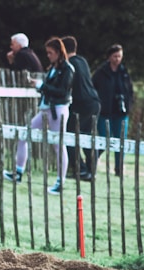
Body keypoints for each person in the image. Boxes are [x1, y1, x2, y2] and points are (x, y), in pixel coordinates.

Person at [3, 37, 73, 195]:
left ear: (58, 52)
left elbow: (62, 92)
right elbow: (51, 89)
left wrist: (42, 85)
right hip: (47, 108)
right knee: (24, 134)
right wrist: (40, 86)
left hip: (58, 110)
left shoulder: (68, 69)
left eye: (50, 53)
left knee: (58, 145)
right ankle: (18, 172)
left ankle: (60, 182)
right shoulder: (53, 68)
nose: (48, 55)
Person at [61, 35, 101, 182]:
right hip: (94, 102)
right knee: (89, 137)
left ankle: (81, 170)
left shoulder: (69, 64)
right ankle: (91, 170)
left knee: (70, 136)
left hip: (81, 103)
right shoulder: (82, 61)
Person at [92, 43, 134, 177]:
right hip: (105, 111)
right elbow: (93, 89)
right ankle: (92, 162)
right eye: (115, 56)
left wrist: (128, 105)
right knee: (104, 140)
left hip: (120, 112)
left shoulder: (124, 72)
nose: (117, 59)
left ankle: (119, 167)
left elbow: (130, 90)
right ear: (109, 57)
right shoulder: (101, 73)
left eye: (120, 56)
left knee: (120, 140)